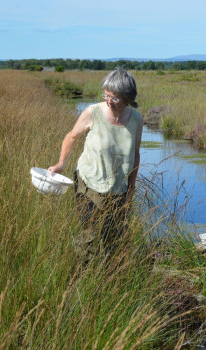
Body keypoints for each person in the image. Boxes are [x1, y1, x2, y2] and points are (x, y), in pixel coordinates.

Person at [48, 67, 143, 262]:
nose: (109, 101)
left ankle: (107, 278)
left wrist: (130, 189)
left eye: (115, 98)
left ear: (127, 98)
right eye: (106, 95)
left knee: (113, 237)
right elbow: (71, 137)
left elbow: (135, 154)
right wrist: (61, 164)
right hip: (89, 184)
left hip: (118, 189)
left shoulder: (136, 119)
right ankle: (80, 275)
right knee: (88, 236)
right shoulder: (93, 112)